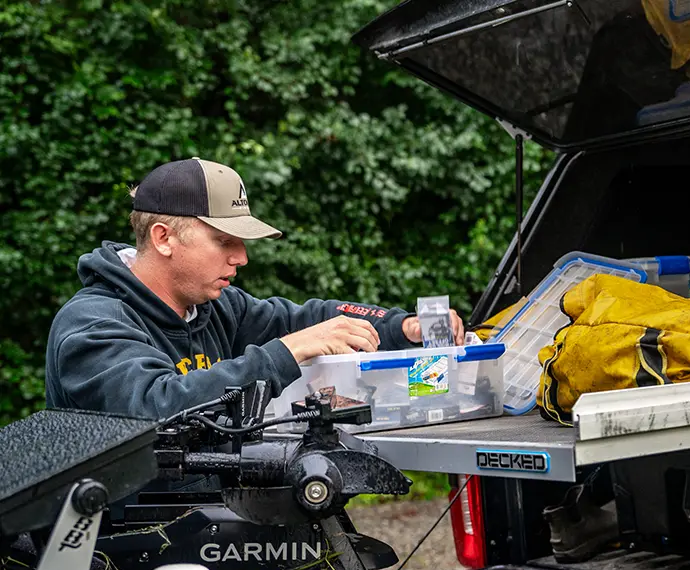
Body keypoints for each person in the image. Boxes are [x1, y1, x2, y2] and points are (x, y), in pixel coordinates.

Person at [45, 157, 465, 421]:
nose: (241, 258)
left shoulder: (215, 307)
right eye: (225, 241)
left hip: (211, 513)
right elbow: (155, 407)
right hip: (125, 543)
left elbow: (306, 318)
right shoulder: (93, 323)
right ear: (163, 238)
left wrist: (400, 326)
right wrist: (286, 351)